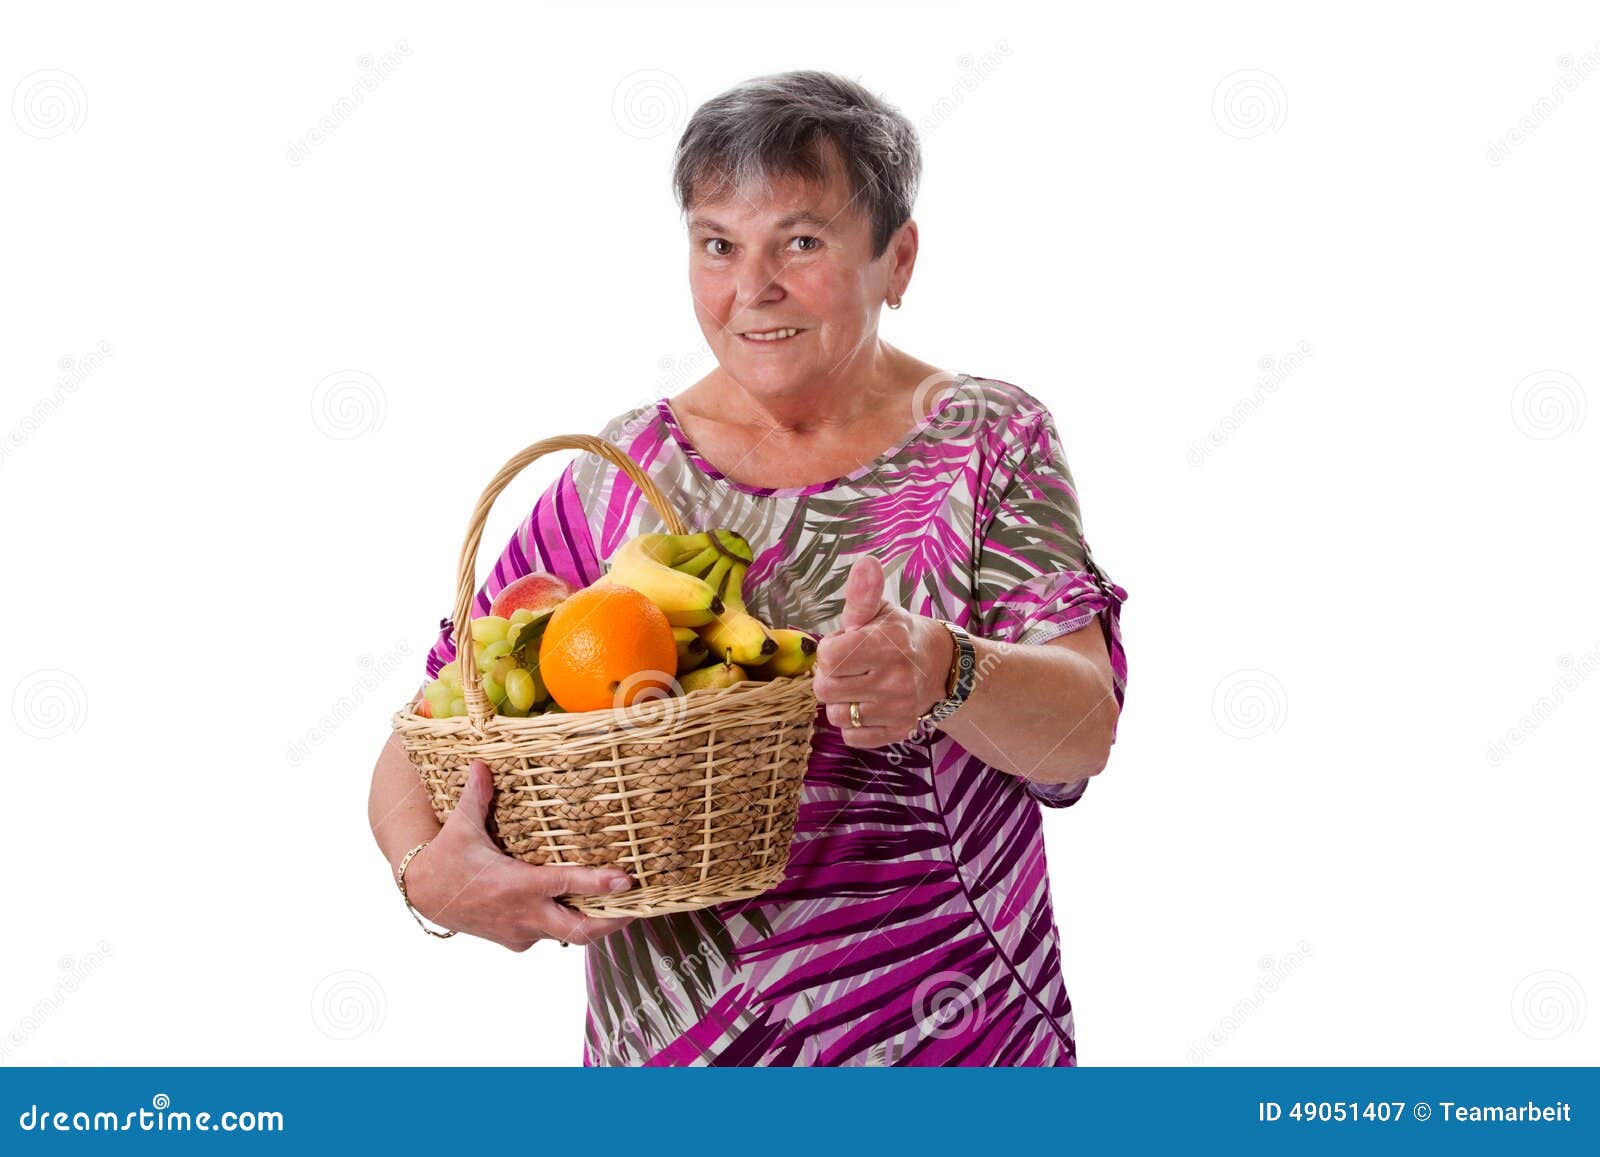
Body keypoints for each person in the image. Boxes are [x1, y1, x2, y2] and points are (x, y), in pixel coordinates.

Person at [368, 69, 1129, 1066]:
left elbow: (1082, 731)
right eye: (717, 244)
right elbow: (431, 724)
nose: (751, 289)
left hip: (957, 1045)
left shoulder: (988, 439)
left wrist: (946, 667)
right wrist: (428, 873)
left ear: (897, 259)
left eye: (800, 243)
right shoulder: (619, 472)